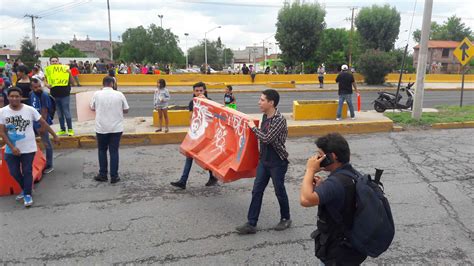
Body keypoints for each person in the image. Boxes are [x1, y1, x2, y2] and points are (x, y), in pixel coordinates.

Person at [300, 133, 367, 265]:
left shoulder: (335, 183)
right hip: (351, 247)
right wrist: (322, 187)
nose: (317, 158)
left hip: (337, 251)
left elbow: (305, 200)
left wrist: (310, 170)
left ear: (332, 156)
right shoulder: (352, 174)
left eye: (320, 154)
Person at [236, 89, 291, 234]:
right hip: (264, 161)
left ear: (271, 103)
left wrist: (253, 128)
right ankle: (251, 223)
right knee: (257, 191)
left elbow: (267, 138)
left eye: (262, 100)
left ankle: (286, 218)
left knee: (279, 191)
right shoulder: (265, 116)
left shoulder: (279, 119)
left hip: (277, 162)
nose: (259, 102)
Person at [0, 87, 59, 207]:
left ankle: (27, 194)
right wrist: (12, 147)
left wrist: (54, 135)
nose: (14, 98)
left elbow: (43, 122)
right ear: (8, 97)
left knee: (27, 171)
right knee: (14, 172)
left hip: (28, 147)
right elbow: (2, 132)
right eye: (12, 96)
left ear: (21, 97)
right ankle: (26, 188)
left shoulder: (29, 110)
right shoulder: (3, 112)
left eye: (17, 96)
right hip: (11, 148)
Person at [170, 82, 218, 189]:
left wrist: (205, 102)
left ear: (205, 91)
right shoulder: (192, 103)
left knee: (207, 157)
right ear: (193, 92)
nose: (199, 93)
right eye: (197, 91)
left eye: (201, 90)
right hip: (197, 134)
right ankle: (183, 181)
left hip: (207, 135)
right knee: (189, 156)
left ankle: (212, 177)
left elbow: (214, 117)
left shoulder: (210, 102)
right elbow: (191, 118)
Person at [90, 76, 129, 184]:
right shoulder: (119, 94)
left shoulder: (97, 94)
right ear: (112, 84)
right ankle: (114, 176)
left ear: (103, 84)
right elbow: (126, 109)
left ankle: (103, 174)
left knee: (102, 150)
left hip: (101, 127)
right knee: (114, 151)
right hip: (116, 128)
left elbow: (92, 107)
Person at [29, 78, 54, 173]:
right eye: (35, 87)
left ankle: (49, 164)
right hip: (34, 123)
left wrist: (43, 126)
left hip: (42, 123)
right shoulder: (31, 94)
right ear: (31, 88)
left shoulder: (44, 95)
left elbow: (45, 111)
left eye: (39, 86)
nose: (38, 88)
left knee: (46, 143)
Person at [44, 56, 75, 136]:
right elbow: (46, 82)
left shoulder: (65, 70)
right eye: (52, 61)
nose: (54, 62)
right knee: (59, 113)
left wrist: (70, 73)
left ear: (58, 62)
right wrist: (47, 85)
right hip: (54, 95)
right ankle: (62, 129)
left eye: (55, 61)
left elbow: (73, 83)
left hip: (65, 94)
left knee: (66, 112)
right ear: (50, 62)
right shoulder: (49, 71)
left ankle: (70, 129)